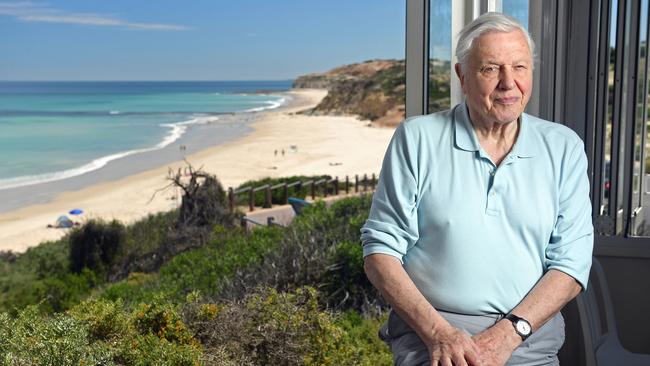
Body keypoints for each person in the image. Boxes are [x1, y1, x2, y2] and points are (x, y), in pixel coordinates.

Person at [361, 12, 593, 366]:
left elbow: (572, 264)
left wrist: (508, 333)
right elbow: (380, 252)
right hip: (433, 337)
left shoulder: (564, 147)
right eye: (490, 69)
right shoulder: (417, 138)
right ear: (462, 76)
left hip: (528, 338)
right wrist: (440, 334)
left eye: (520, 67)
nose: (508, 83)